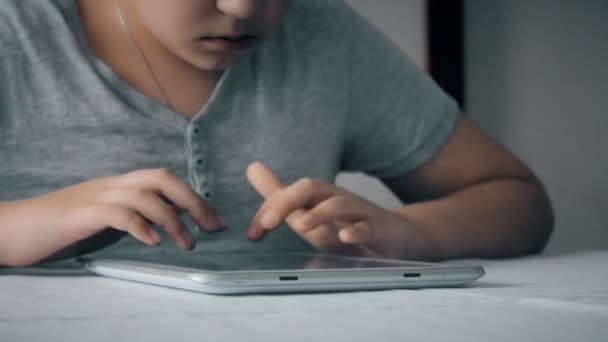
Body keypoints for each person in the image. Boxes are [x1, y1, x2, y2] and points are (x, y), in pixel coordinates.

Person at [0, 0, 554, 268]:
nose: (243, 9)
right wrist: (25, 223)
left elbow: (519, 203)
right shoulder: (14, 29)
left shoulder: (324, 36)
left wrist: (404, 233)